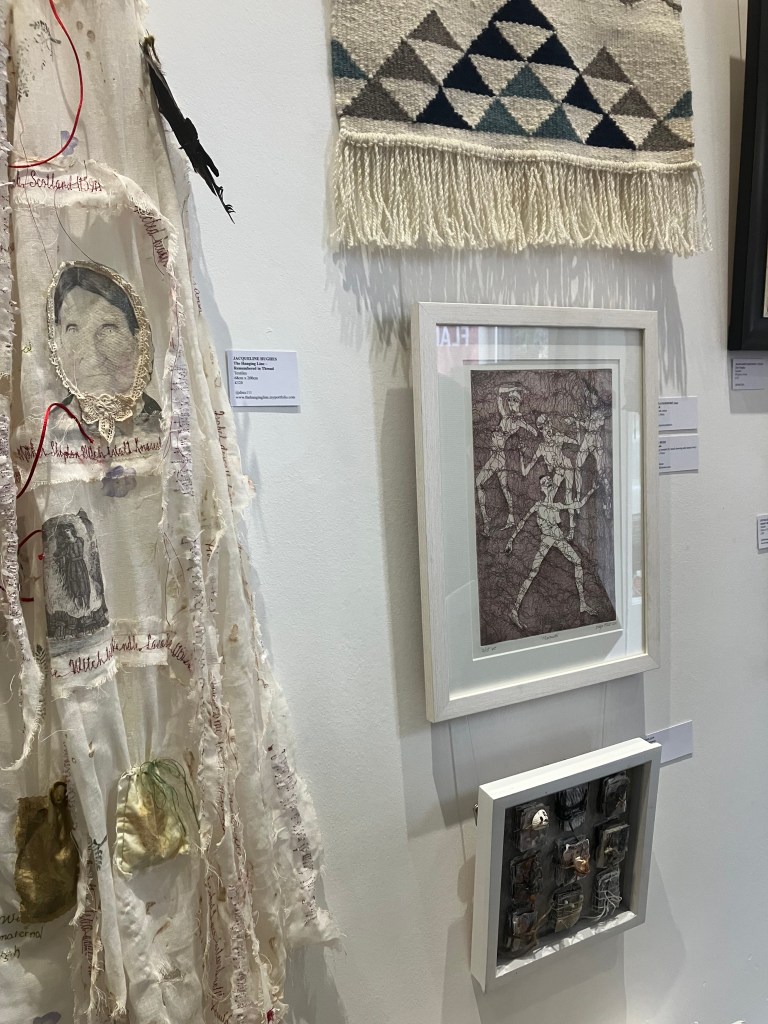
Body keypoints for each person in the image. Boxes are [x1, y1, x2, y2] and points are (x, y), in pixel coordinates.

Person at [51, 263, 161, 427]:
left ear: (138, 338)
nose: (91, 356)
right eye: (73, 329)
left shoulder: (161, 421)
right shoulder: (52, 425)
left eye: (108, 329)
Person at [505, 475, 598, 630]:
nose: (548, 482)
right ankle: (514, 610)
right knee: (533, 572)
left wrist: (592, 490)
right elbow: (522, 522)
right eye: (544, 482)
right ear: (541, 488)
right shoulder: (538, 506)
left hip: (558, 539)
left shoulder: (556, 506)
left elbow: (578, 504)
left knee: (577, 562)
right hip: (547, 540)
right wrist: (511, 540)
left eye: (549, 480)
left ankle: (583, 604)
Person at [475, 383, 536, 535]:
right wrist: (514, 389)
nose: (510, 403)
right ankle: (505, 518)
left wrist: (518, 438)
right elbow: (499, 392)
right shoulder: (505, 416)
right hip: (496, 456)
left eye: (514, 400)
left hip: (498, 457)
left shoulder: (518, 421)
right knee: (502, 488)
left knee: (483, 483)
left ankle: (492, 521)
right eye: (509, 400)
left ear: (519, 403)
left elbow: (534, 432)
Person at [520, 414, 579, 539]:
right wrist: (521, 456)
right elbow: (525, 471)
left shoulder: (558, 438)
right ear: (541, 430)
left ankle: (571, 530)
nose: (547, 430)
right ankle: (552, 526)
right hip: (558, 471)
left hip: (567, 467)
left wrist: (576, 425)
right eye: (543, 428)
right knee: (549, 497)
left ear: (550, 425)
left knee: (568, 497)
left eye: (548, 426)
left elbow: (576, 442)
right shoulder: (542, 448)